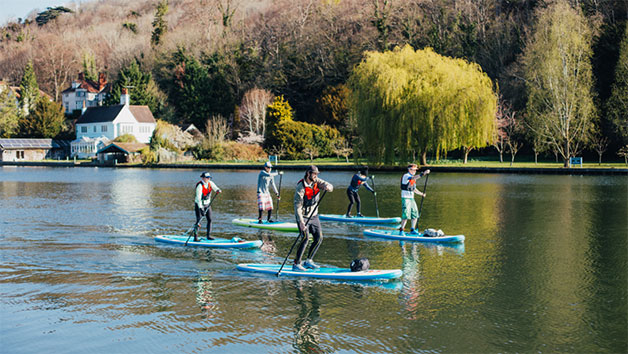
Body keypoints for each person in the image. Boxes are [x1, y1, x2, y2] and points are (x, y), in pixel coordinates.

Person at [293, 165, 333, 271]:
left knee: (319, 238)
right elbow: (297, 206)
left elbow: (329, 186)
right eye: (314, 174)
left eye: (316, 174)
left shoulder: (317, 182)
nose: (315, 176)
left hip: (314, 216)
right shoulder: (300, 187)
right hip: (303, 217)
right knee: (305, 239)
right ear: (308, 173)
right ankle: (296, 264)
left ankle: (308, 261)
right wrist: (301, 222)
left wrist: (328, 187)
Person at [399, 164, 430, 235]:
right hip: (405, 198)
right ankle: (401, 230)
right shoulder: (406, 176)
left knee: (415, 214)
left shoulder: (412, 178)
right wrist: (423, 174)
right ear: (410, 170)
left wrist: (421, 194)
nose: (415, 171)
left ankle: (412, 229)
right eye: (414, 170)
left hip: (411, 198)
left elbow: (413, 189)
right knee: (406, 215)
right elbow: (413, 178)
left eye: (416, 170)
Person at [194, 172, 221, 242]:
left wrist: (218, 190)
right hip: (199, 205)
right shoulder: (199, 186)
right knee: (198, 221)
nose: (208, 179)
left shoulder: (210, 183)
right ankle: (195, 238)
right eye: (207, 178)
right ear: (203, 178)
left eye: (209, 177)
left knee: (210, 219)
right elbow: (198, 198)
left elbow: (215, 188)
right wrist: (201, 209)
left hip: (207, 204)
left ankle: (208, 236)